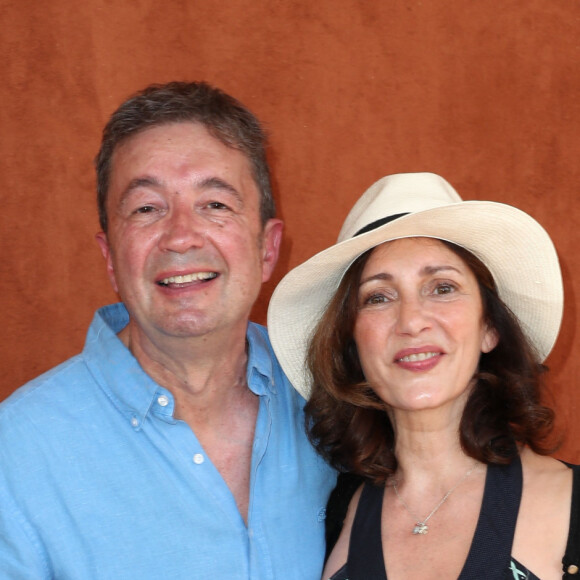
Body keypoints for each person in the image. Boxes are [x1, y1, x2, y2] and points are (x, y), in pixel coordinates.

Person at [0, 81, 335, 579]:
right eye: (146, 209)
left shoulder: (336, 402)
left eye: (215, 205)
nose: (181, 237)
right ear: (110, 258)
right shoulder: (15, 454)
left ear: (268, 249)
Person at [267, 172, 580, 579]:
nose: (411, 321)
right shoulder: (327, 520)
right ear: (352, 344)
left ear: (490, 328)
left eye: (442, 288)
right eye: (379, 297)